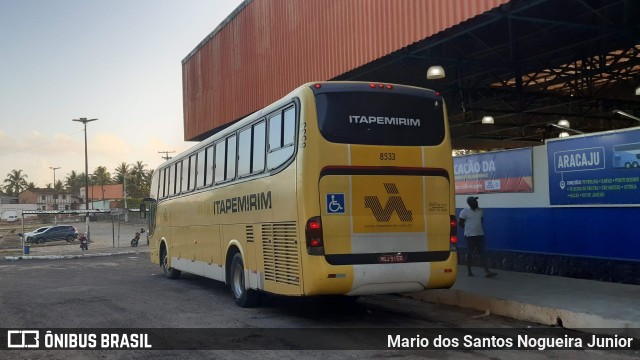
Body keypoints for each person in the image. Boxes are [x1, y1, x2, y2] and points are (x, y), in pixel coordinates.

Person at [458, 196, 497, 278]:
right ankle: (469, 271)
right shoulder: (464, 212)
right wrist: (469, 228)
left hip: (480, 235)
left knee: (483, 253)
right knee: (469, 253)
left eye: (476, 201)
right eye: (474, 201)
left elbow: (481, 221)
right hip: (470, 236)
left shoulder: (480, 211)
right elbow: (460, 224)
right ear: (470, 203)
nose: (476, 202)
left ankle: (487, 271)